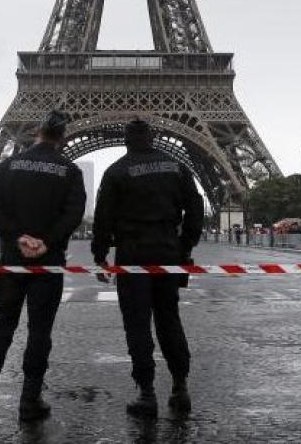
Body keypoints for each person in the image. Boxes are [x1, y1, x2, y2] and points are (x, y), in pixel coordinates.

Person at [0, 110, 85, 422]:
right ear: (63, 137)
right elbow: (73, 214)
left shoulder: (8, 165)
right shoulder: (69, 171)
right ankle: (29, 401)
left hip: (12, 261)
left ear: (37, 131)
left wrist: (18, 237)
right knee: (40, 331)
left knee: (2, 325)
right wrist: (45, 241)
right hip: (48, 263)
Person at [92, 118, 203, 419]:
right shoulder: (176, 167)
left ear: (126, 141)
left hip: (132, 254)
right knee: (170, 319)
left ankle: (146, 392)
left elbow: (102, 218)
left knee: (137, 324)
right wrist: (184, 247)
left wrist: (100, 256)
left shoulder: (115, 171)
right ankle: (180, 387)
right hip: (168, 250)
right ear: (153, 138)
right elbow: (195, 209)